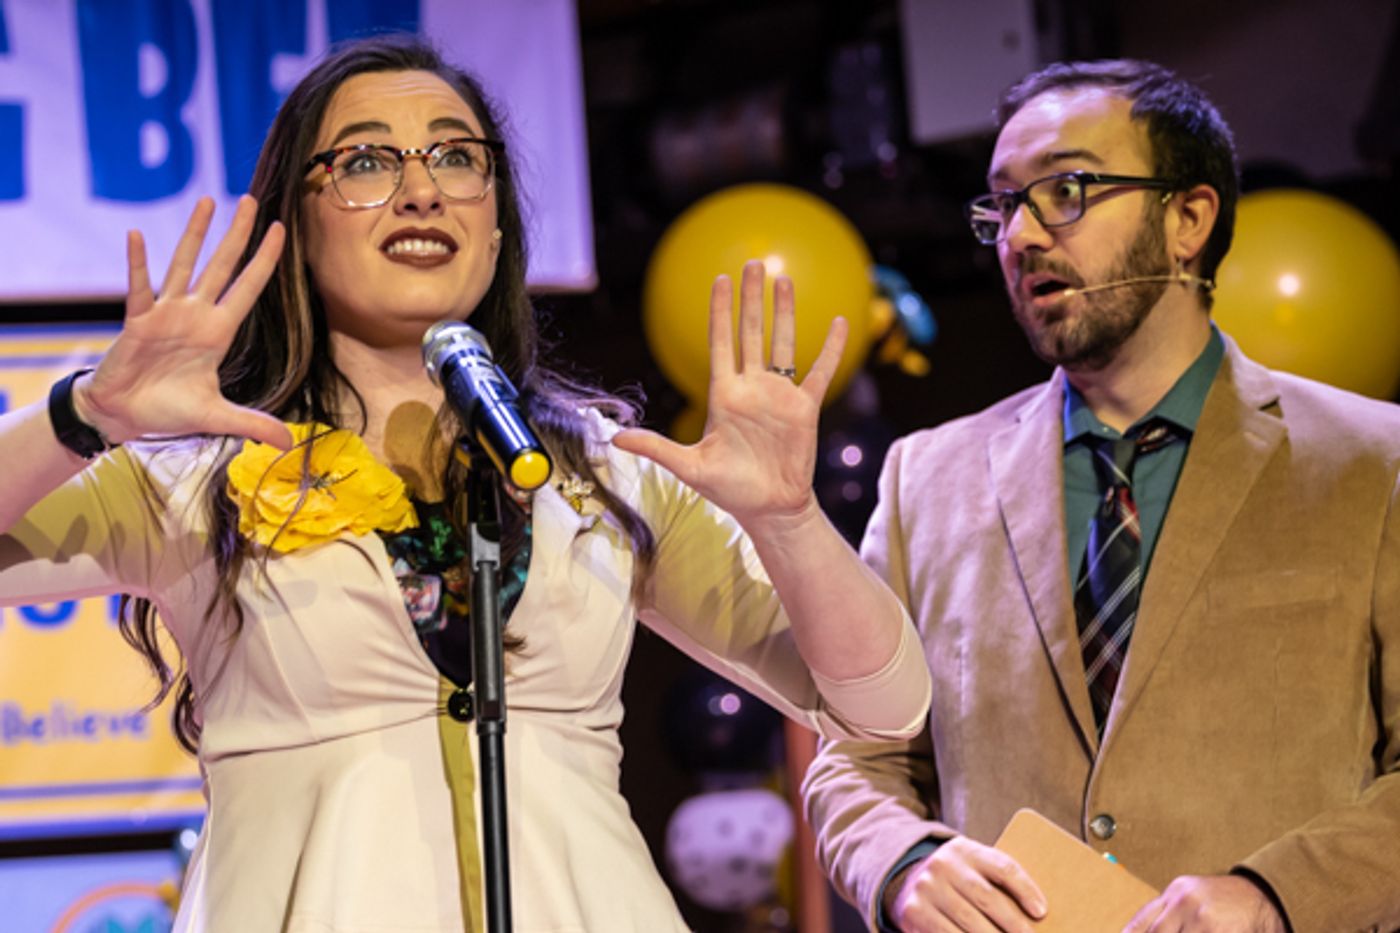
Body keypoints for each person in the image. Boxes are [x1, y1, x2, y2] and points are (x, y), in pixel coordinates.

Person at [0, 35, 932, 932]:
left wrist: (791, 519)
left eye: (455, 157)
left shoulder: (602, 471)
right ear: (296, 225)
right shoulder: (200, 473)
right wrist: (82, 415)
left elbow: (884, 706)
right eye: (364, 163)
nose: (419, 191)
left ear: (495, 230)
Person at [802, 57, 1400, 933]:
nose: (1024, 235)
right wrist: (902, 861)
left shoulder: (1374, 462)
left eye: (1068, 189)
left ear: (1189, 217)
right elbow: (856, 755)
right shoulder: (925, 479)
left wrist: (1278, 895)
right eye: (1005, 204)